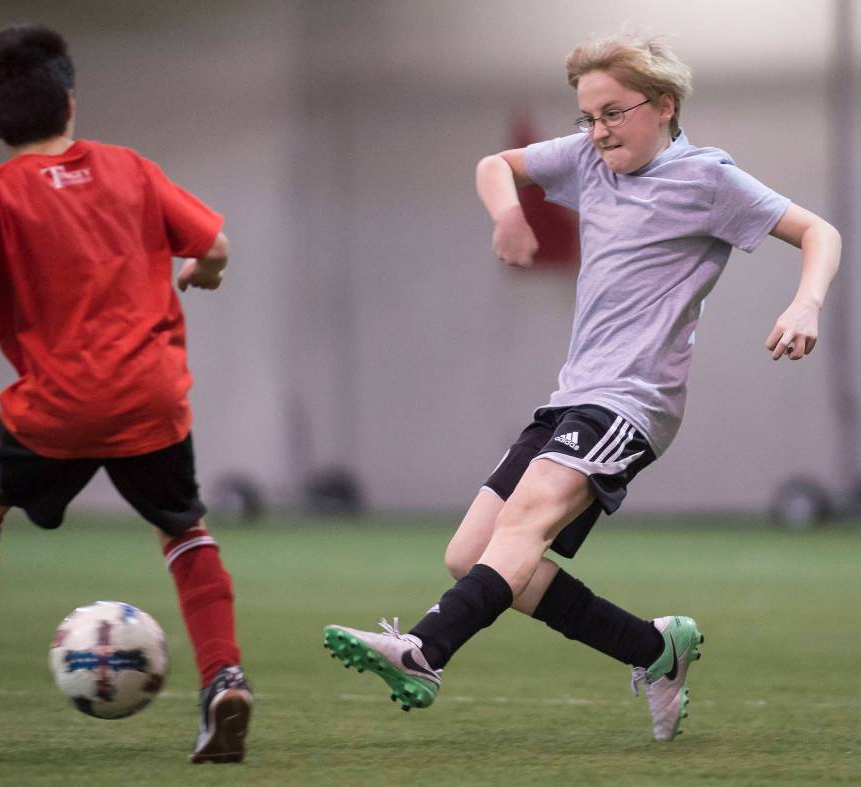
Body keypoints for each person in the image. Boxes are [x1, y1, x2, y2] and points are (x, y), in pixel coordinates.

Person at [323, 31, 841, 742]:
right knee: (472, 554)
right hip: (574, 394)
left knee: (525, 519)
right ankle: (653, 648)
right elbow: (493, 165)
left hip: (635, 400)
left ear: (663, 105)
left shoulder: (709, 179)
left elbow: (820, 231)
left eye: (612, 113)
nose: (597, 132)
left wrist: (806, 302)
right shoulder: (587, 161)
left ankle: (424, 650)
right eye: (587, 117)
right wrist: (508, 212)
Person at [0, 26, 252, 763]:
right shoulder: (130, 168)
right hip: (152, 398)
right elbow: (214, 247)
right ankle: (224, 677)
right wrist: (201, 275)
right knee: (184, 527)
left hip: (58, 406)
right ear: (69, 99)